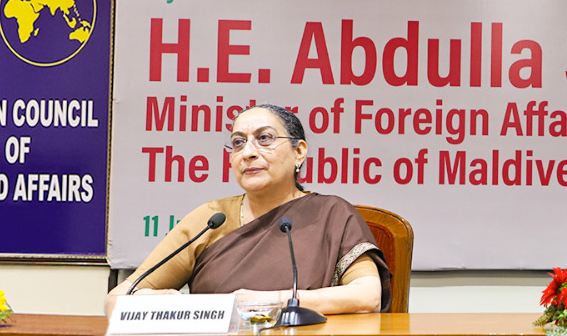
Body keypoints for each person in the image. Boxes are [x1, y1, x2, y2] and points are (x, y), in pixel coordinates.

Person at [104, 104, 387, 315]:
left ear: (299, 152)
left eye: (264, 138)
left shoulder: (330, 214)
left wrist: (270, 301)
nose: (248, 152)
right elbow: (115, 299)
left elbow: (367, 296)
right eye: (238, 142)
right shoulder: (211, 218)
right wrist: (150, 302)